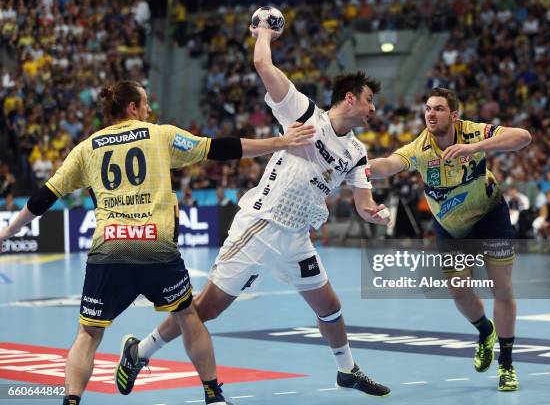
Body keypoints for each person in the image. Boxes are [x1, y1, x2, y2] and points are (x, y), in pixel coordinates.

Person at [0, 80, 315, 405]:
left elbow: (43, 197)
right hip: (157, 250)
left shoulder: (86, 149)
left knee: (89, 333)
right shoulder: (159, 135)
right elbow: (220, 148)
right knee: (188, 317)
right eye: (146, 103)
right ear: (133, 108)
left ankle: (71, 401)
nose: (150, 109)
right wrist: (280, 141)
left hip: (109, 251)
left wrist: (5, 233)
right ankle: (213, 395)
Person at [121, 25, 392, 398]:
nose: (373, 109)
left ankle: (347, 371)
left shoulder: (357, 152)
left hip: (297, 237)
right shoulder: (305, 113)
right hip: (260, 226)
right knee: (207, 308)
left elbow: (363, 202)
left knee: (329, 304)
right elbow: (262, 63)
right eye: (369, 101)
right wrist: (264, 30)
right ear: (350, 98)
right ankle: (139, 351)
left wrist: (375, 213)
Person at [369, 87, 531, 391]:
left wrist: (475, 149)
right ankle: (485, 332)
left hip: (489, 217)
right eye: (428, 108)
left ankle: (507, 364)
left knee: (502, 289)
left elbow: (523, 136)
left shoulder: (473, 132)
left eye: (439, 109)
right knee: (458, 292)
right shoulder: (420, 148)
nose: (431, 114)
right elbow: (388, 165)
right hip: (451, 227)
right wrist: (358, 168)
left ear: (454, 116)